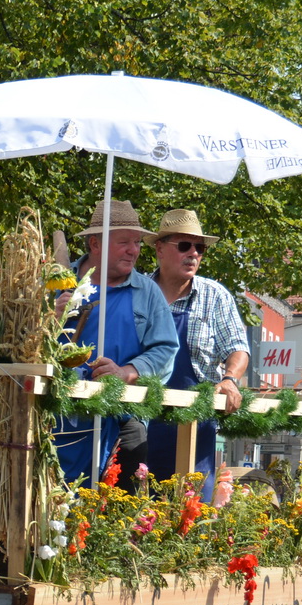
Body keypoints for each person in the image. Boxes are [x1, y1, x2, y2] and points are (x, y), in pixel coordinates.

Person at [54, 200, 182, 489]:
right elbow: (23, 342)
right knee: (58, 503)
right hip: (61, 416)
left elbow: (166, 349)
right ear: (94, 243)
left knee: (123, 512)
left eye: (137, 242)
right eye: (124, 242)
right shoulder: (59, 283)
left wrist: (127, 371)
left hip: (124, 416)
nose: (134, 250)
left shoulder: (146, 291)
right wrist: (50, 318)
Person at [142, 210, 250, 495]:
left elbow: (238, 347)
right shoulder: (137, 291)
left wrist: (230, 379)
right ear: (160, 249)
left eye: (199, 248)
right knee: (133, 513)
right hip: (138, 422)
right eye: (184, 246)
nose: (193, 254)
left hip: (196, 428)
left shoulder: (215, 296)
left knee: (191, 516)